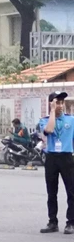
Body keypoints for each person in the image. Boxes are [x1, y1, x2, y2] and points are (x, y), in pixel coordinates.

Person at [38, 91, 74, 234]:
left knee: (71, 192)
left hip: (67, 157)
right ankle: (52, 222)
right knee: (51, 192)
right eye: (57, 102)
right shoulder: (44, 120)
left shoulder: (71, 120)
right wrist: (52, 111)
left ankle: (71, 222)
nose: (60, 105)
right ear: (51, 103)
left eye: (61, 102)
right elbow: (49, 129)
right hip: (52, 158)